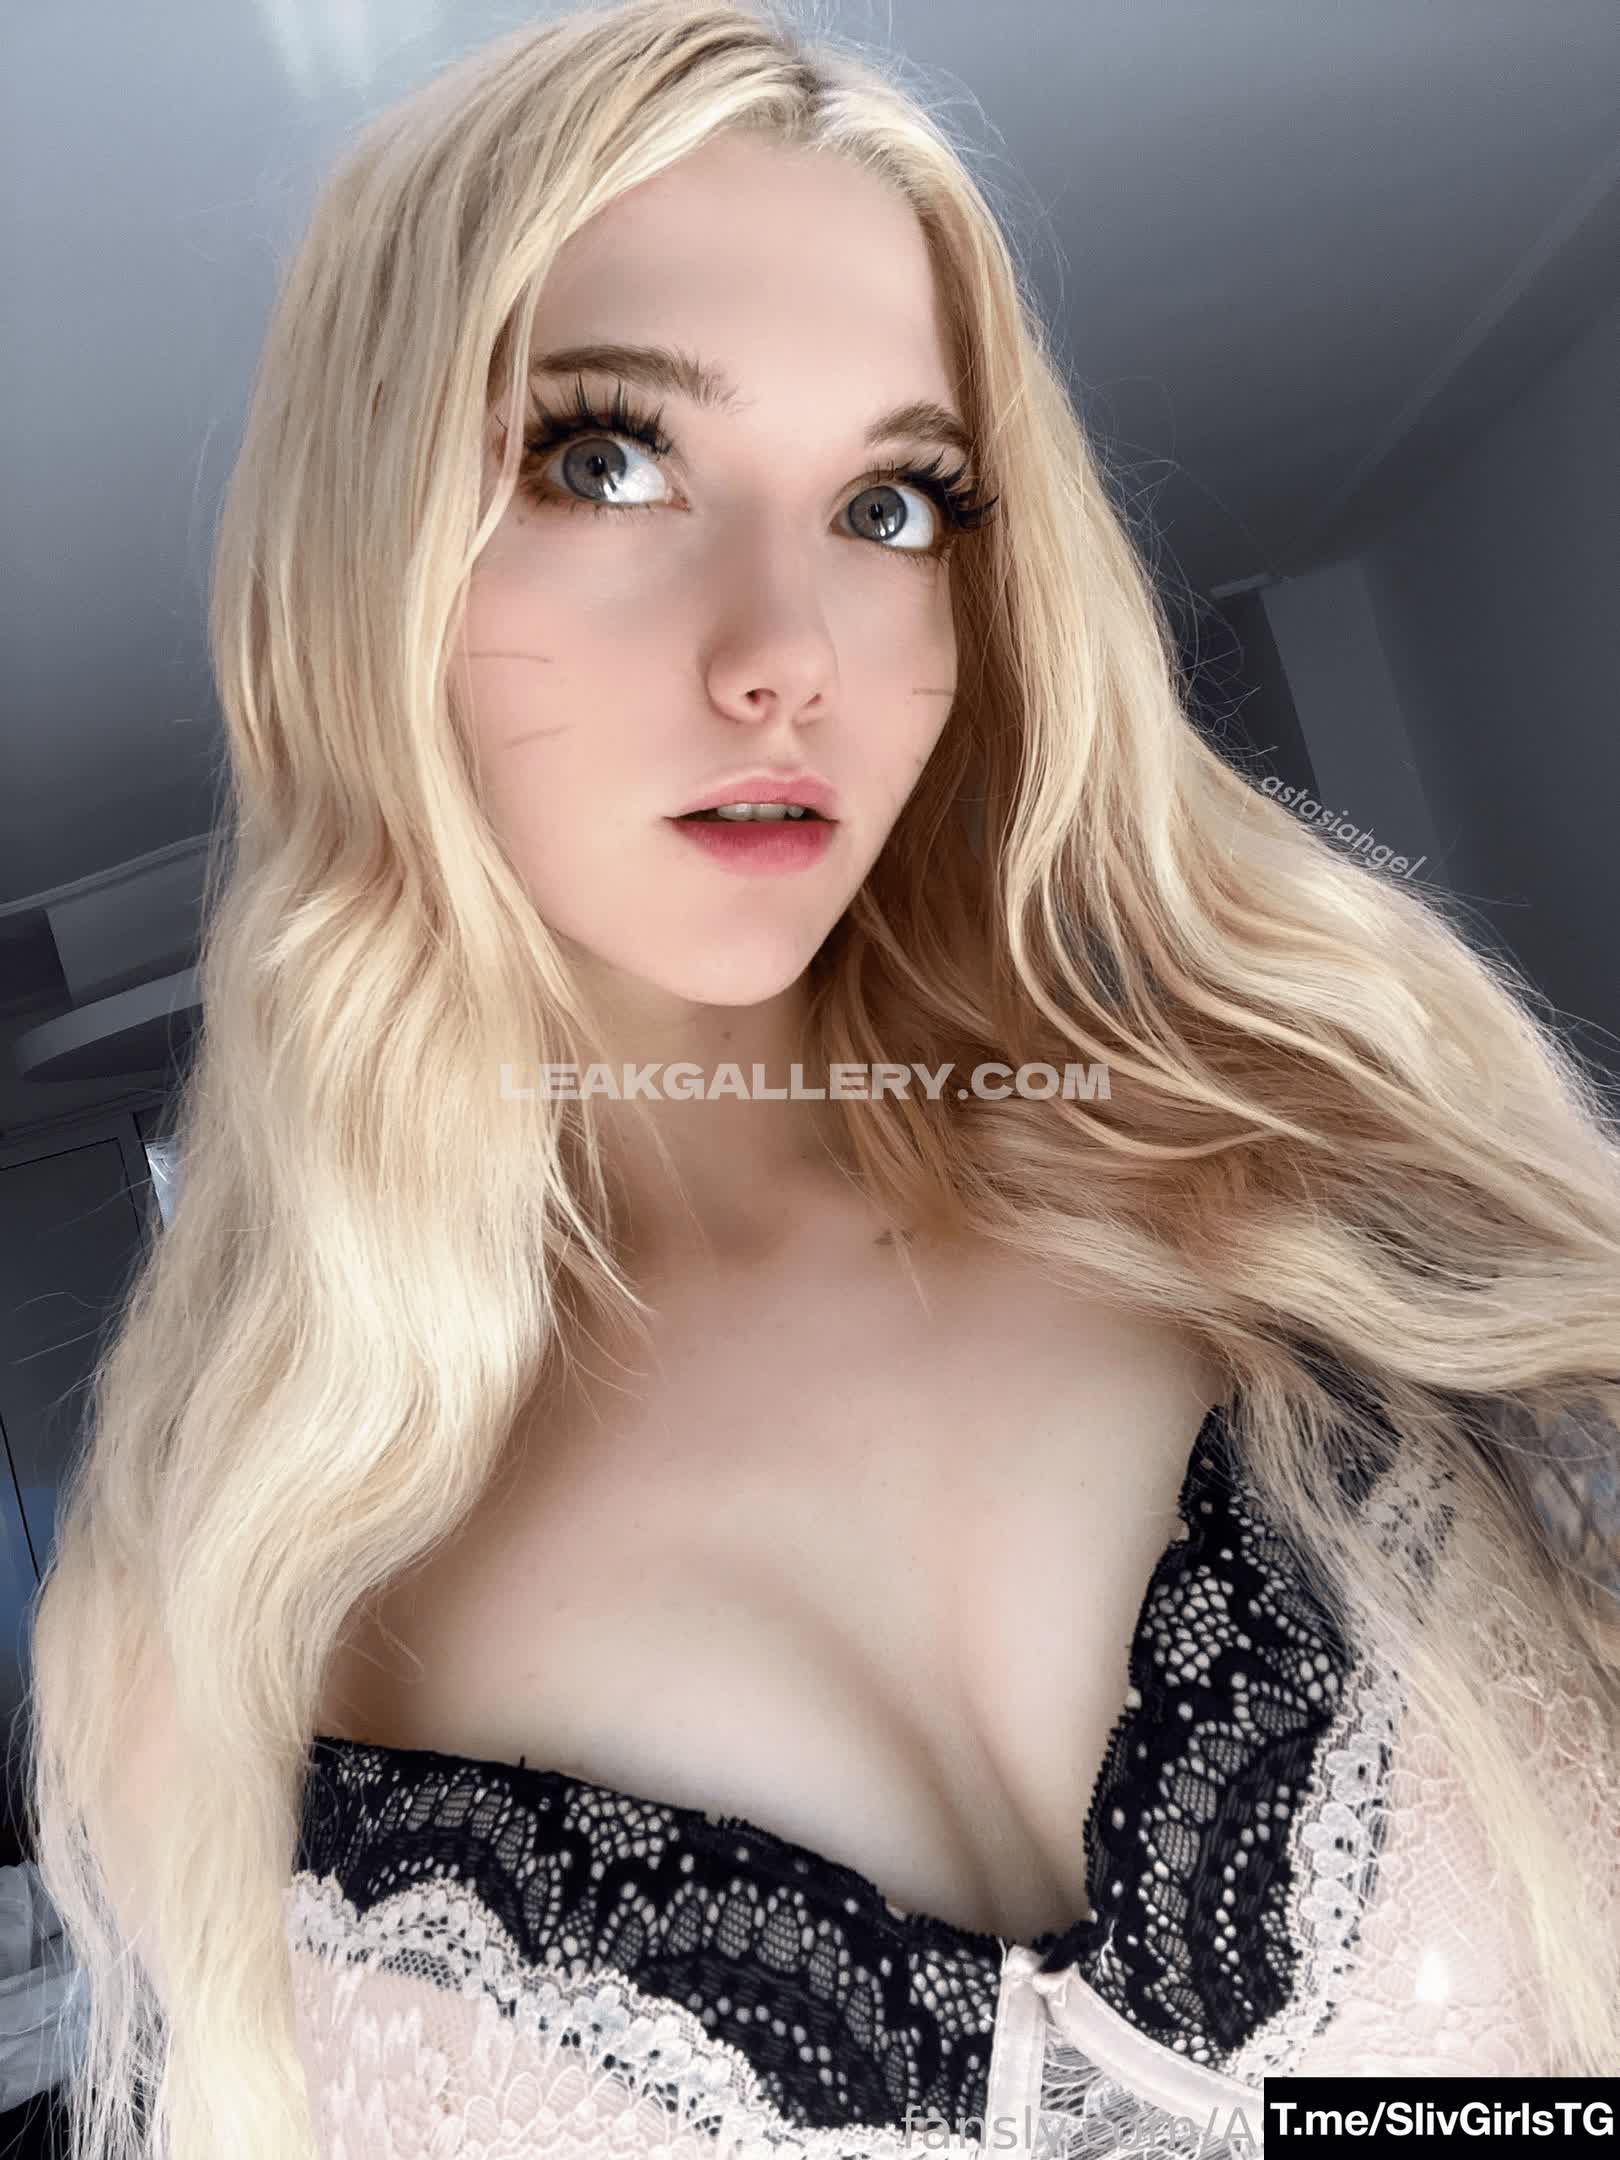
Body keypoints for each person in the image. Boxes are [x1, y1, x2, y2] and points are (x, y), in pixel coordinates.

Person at [24, 3, 1620, 2155]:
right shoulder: (196, 1645)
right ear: (356, 570)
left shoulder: (1323, 1183)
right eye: (605, 461)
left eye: (889, 502)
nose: (786, 649)